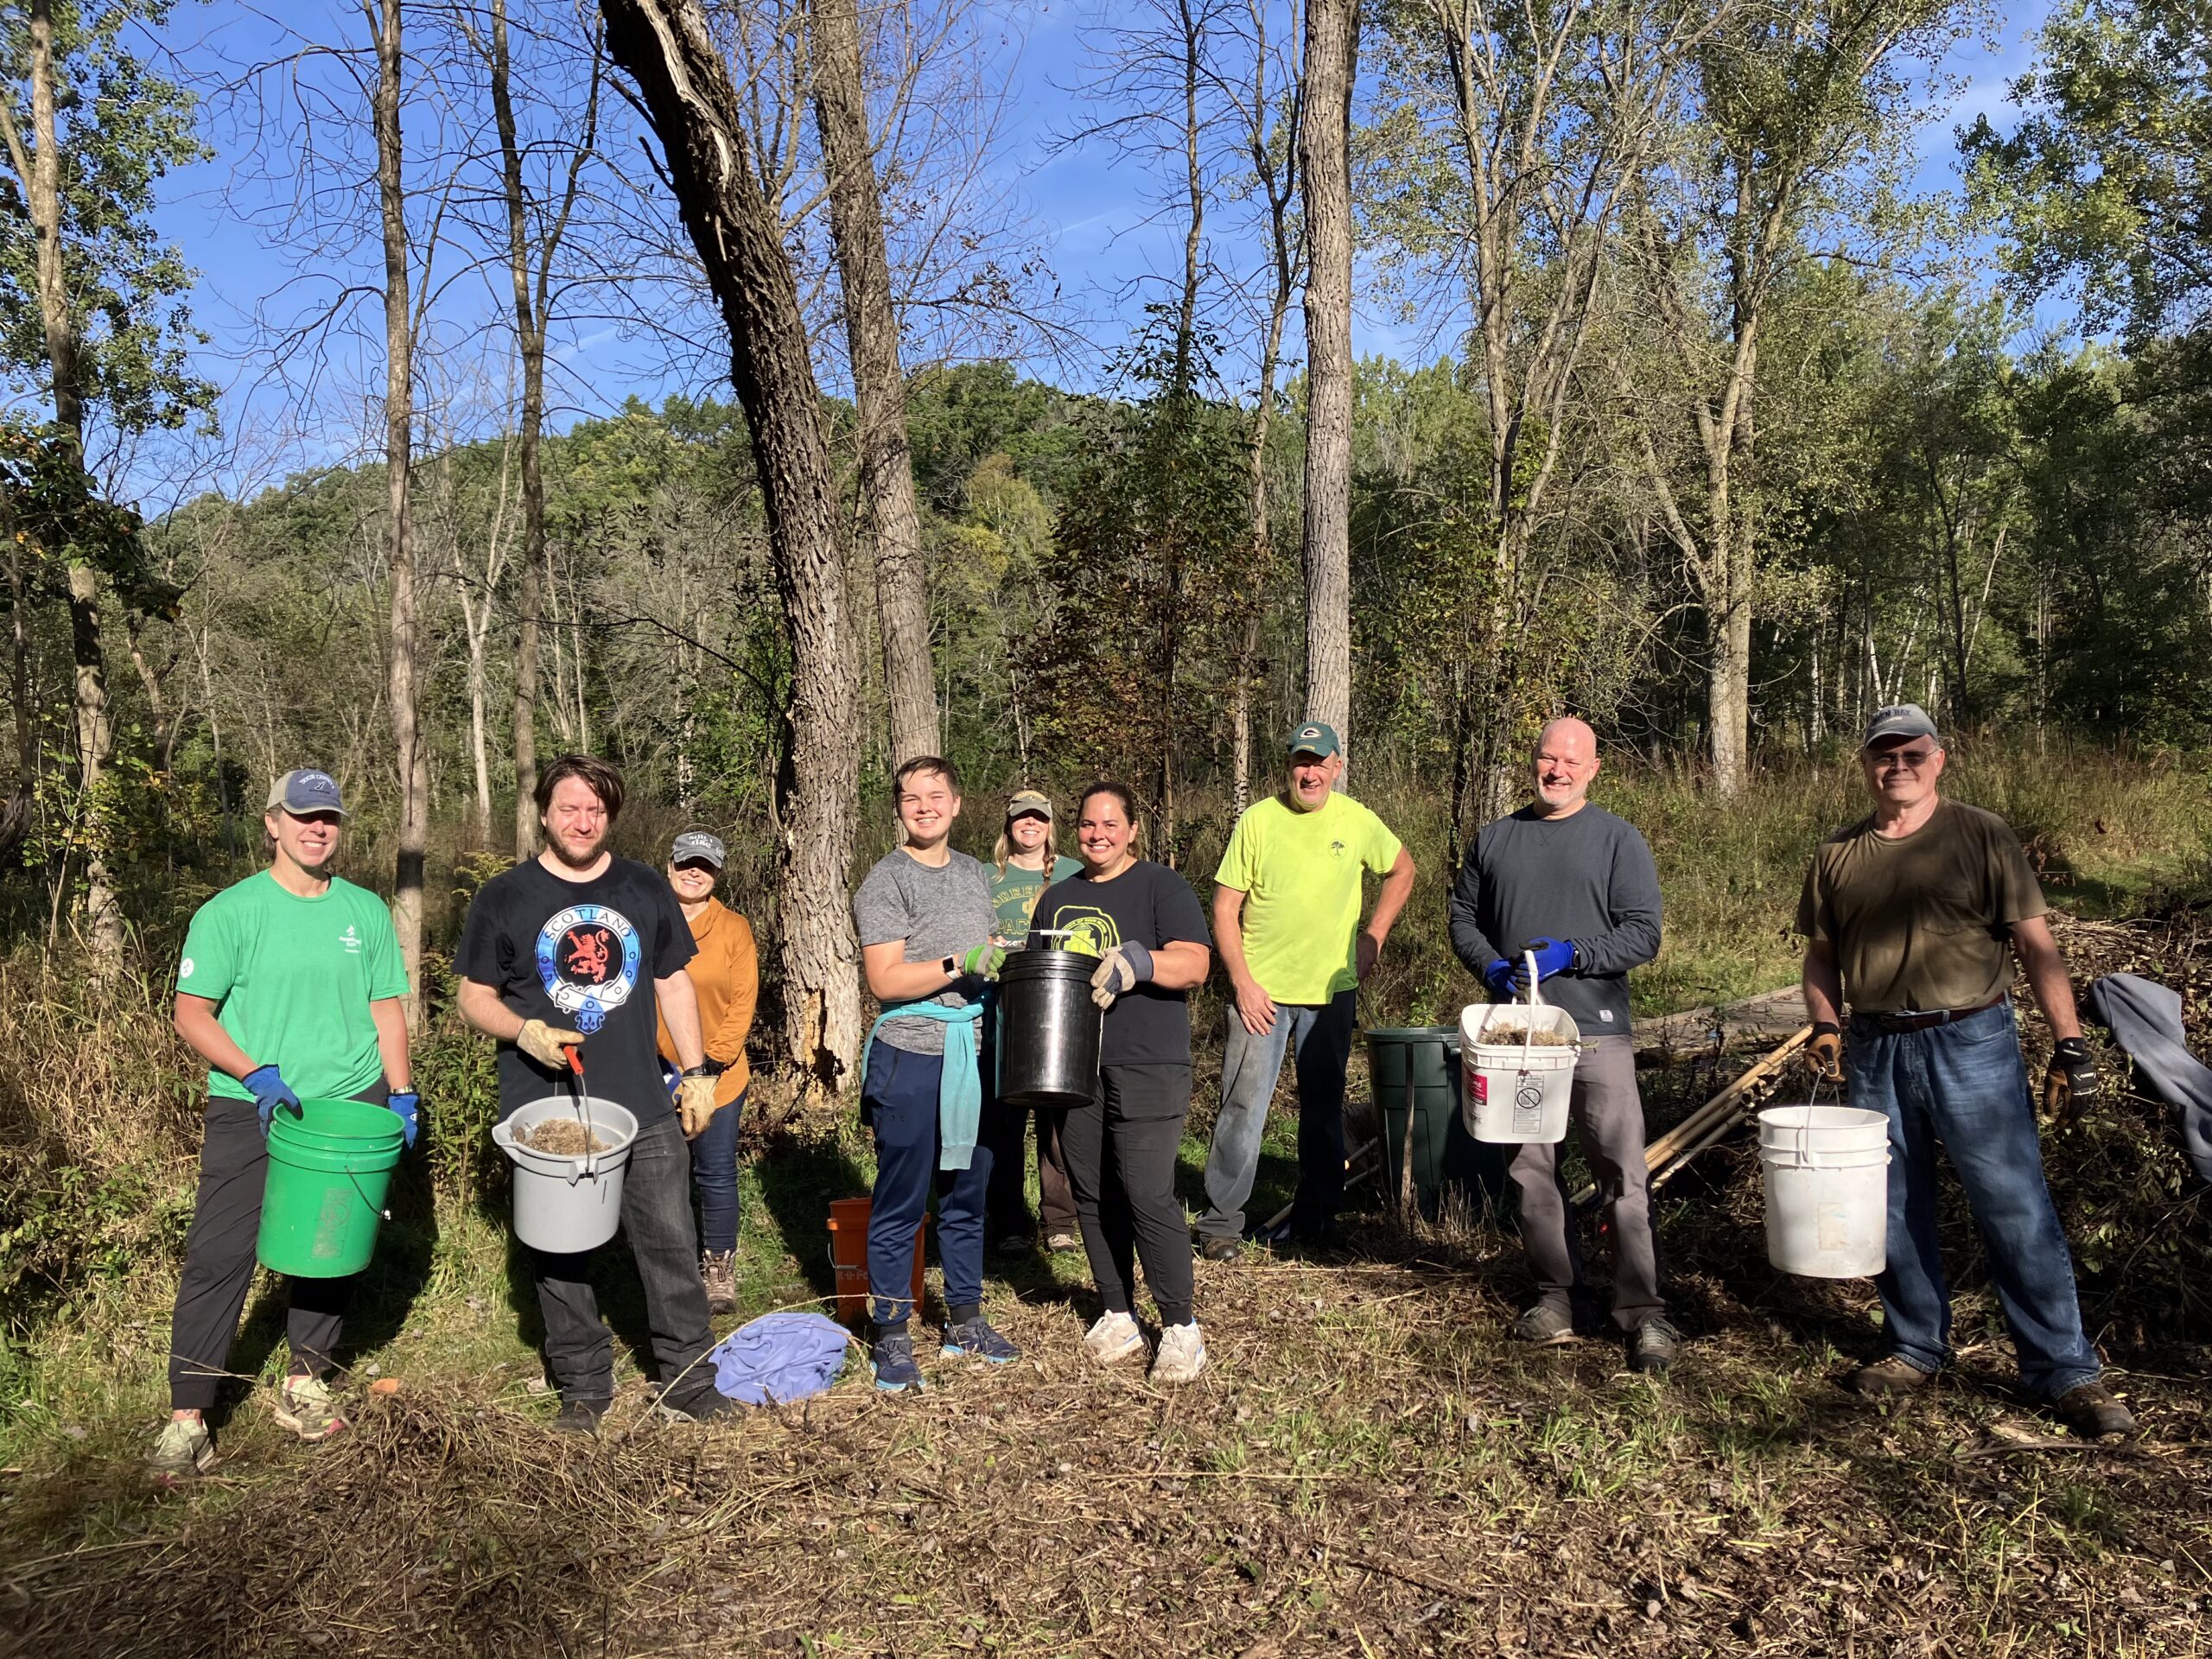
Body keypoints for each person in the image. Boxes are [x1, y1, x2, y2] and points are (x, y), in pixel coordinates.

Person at [1798, 705, 2133, 1440]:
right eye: (1884, 755)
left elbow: (2036, 945)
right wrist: (1827, 1022)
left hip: (1971, 1041)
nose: (1899, 766)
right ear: (1866, 766)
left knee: (2014, 1204)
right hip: (1878, 1046)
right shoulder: (1838, 855)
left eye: (1913, 754)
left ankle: (2064, 1369)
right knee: (1891, 1205)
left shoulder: (1980, 834)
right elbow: (1822, 954)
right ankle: (1915, 1346)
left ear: (1938, 760)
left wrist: (2070, 1043)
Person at [456, 754, 735, 1431]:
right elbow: (473, 997)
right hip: (547, 1108)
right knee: (559, 1251)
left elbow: (672, 982)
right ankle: (583, 1385)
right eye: (570, 808)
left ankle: (690, 1383)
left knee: (670, 1240)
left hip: (641, 1100)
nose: (583, 821)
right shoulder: (506, 897)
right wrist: (523, 1031)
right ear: (545, 813)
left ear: (610, 815)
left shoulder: (643, 887)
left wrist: (697, 1074)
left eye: (596, 809)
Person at [152, 768, 416, 1475]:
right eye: (302, 816)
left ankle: (304, 1382)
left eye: (328, 817)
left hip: (349, 1106)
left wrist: (401, 1093)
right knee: (220, 1252)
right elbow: (191, 1013)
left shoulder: (364, 911)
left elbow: (387, 1008)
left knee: (331, 1244)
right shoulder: (230, 913)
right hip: (255, 1105)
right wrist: (253, 1072)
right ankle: (189, 1415)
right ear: (272, 823)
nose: (316, 828)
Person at [1447, 717, 1676, 1370]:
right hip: (1517, 1036)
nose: (1557, 770)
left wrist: (1573, 954)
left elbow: (1644, 934)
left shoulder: (1616, 840)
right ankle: (1555, 1298)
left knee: (1621, 1170)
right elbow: (1462, 917)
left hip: (1596, 1029)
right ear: (1533, 761)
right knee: (1530, 1169)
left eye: (1571, 761)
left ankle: (1644, 1313)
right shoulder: (1496, 838)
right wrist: (1491, 966)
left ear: (1594, 768)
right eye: (1548, 758)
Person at [1194, 721, 1416, 1258]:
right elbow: (1224, 907)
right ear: (1288, 767)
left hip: (1330, 992)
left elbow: (1403, 869)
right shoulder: (1259, 821)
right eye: (1301, 761)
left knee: (1323, 1108)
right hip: (1261, 994)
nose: (1310, 772)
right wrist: (1242, 982)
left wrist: (1375, 937)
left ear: (1337, 767)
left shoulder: (1357, 820)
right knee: (1244, 1106)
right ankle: (1221, 1223)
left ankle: (1318, 1219)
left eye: (1320, 762)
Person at [1029, 782, 1214, 1382]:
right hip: (1075, 1067)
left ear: (1133, 829)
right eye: (1086, 824)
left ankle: (1181, 1327)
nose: (1097, 834)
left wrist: (1141, 963)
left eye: (1110, 824)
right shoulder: (1056, 898)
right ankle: (1117, 1311)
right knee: (1089, 1190)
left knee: (1145, 1191)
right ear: (1073, 831)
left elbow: (1197, 964)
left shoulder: (1163, 886)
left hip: (1149, 1062)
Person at [853, 755, 1021, 1391]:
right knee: (901, 1198)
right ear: (898, 808)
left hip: (974, 1053)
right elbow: (885, 980)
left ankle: (965, 1319)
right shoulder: (886, 880)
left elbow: (984, 954)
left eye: (936, 795)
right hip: (910, 1053)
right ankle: (892, 1333)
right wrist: (959, 961)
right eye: (911, 798)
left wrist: (1001, 962)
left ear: (956, 804)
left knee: (968, 1190)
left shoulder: (977, 873)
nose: (924, 806)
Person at [655, 830, 759, 1316]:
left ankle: (718, 1267)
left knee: (714, 1172)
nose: (694, 872)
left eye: (706, 866)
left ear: (717, 874)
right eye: (686, 863)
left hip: (720, 1074)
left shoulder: (734, 928)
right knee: (660, 1175)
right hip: (654, 1071)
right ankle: (668, 1268)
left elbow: (742, 1003)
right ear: (670, 865)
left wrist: (708, 1066)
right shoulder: (647, 921)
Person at [985, 789, 1084, 1256]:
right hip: (1003, 1012)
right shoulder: (988, 877)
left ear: (1049, 826)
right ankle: (1008, 1221)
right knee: (1003, 1123)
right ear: (1009, 826)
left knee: (1057, 1119)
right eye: (1021, 818)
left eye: (1038, 818)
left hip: (1061, 1011)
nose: (1030, 825)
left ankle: (1059, 1219)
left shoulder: (1071, 873)